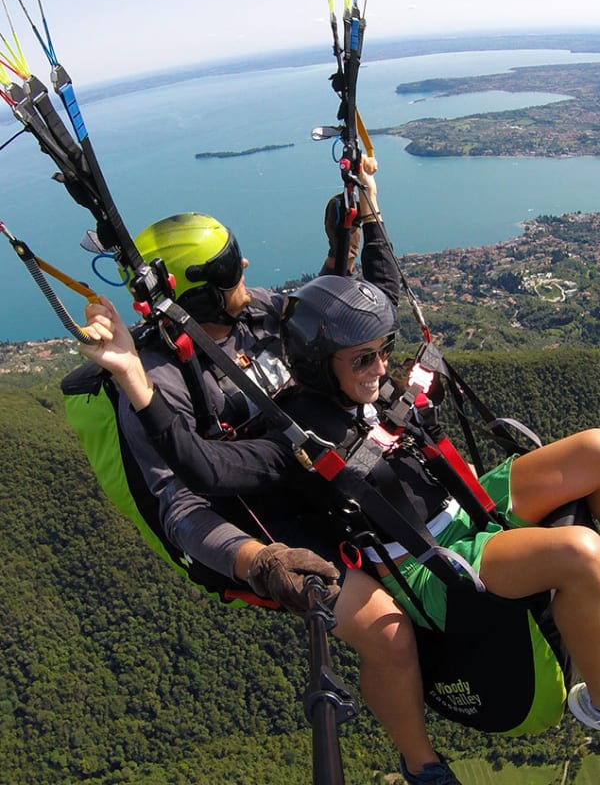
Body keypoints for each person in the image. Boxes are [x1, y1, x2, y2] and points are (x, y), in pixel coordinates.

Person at [80, 270, 600, 783]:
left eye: (384, 350)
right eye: (363, 358)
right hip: (430, 565)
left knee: (596, 448)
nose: (380, 366)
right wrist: (133, 377)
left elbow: (357, 298)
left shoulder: (366, 394)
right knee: (580, 551)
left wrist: (364, 215)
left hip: (469, 506)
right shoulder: (291, 442)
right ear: (320, 365)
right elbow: (202, 467)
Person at [81, 172, 462, 782]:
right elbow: (180, 504)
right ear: (201, 294)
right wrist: (259, 561)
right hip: (262, 519)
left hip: (321, 476)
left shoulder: (254, 312)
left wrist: (350, 237)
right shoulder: (157, 385)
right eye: (232, 267)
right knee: (387, 634)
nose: (247, 266)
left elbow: (319, 330)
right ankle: (423, 767)